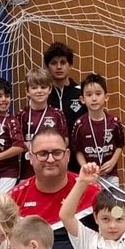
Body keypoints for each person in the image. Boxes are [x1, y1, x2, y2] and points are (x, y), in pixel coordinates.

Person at [70, 73, 124, 186]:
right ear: (82, 99)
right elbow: (77, 150)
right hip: (90, 176)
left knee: (114, 198)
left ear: (106, 97)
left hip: (111, 175)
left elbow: (120, 145)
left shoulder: (114, 121)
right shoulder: (79, 124)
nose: (94, 98)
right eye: (89, 95)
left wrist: (113, 161)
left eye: (98, 94)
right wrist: (86, 168)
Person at [17, 66, 68, 180]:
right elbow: (17, 142)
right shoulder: (22, 114)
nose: (39, 91)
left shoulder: (57, 114)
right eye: (34, 88)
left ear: (49, 89)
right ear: (27, 91)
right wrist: (27, 145)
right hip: (28, 171)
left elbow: (65, 141)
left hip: (52, 168)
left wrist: (48, 147)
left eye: (43, 87)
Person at [44, 41, 87, 171]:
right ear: (47, 67)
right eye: (54, 63)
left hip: (78, 156)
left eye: (63, 62)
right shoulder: (43, 94)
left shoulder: (81, 93)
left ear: (70, 65)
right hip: (51, 157)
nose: (58, 67)